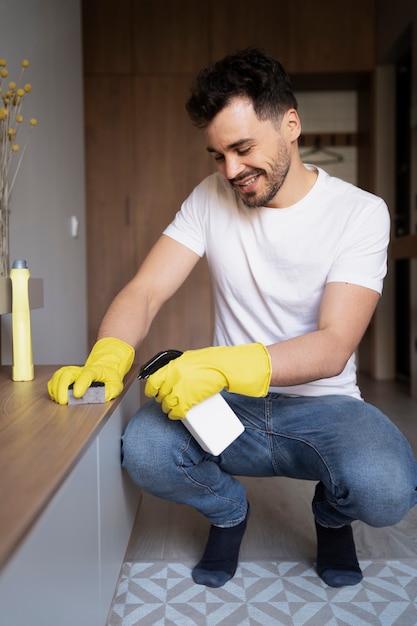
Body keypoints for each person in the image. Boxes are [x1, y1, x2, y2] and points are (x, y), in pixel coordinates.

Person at [48, 48, 417, 590]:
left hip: (325, 406)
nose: (231, 171)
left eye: (243, 149)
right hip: (232, 412)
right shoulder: (209, 198)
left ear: (291, 124)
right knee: (145, 450)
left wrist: (217, 366)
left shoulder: (361, 212)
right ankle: (228, 512)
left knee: (387, 488)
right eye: (217, 155)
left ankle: (332, 517)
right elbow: (145, 290)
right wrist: (108, 353)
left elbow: (334, 344)